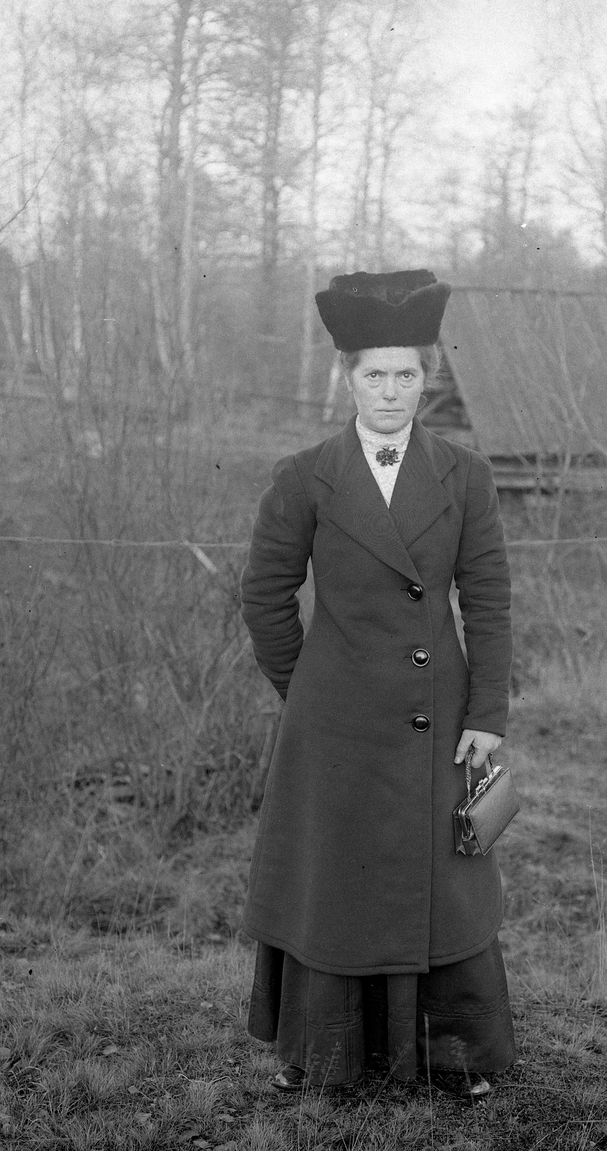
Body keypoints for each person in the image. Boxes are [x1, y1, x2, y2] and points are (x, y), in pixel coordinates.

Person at [240, 269, 516, 1099]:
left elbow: (489, 599)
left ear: (426, 378)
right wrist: (308, 689)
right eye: (373, 375)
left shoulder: (465, 475)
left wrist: (487, 712)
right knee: (335, 882)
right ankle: (321, 1053)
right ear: (347, 379)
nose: (389, 391)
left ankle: (451, 1055)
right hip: (334, 724)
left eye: (405, 374)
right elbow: (264, 595)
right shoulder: (304, 475)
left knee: (444, 886)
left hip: (441, 719)